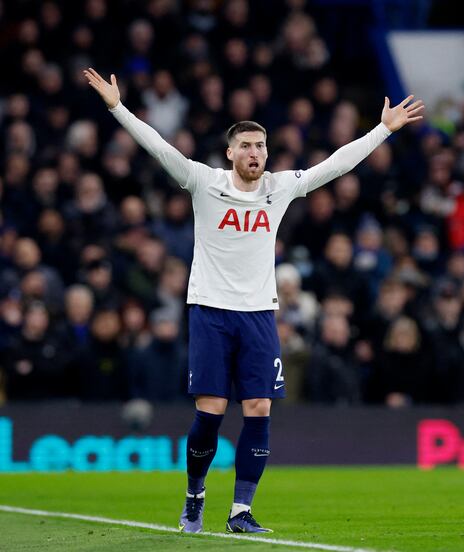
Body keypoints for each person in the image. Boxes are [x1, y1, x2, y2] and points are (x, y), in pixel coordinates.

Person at [83, 68, 423, 534]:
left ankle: (241, 510)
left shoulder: (279, 188)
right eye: (246, 145)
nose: (255, 153)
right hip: (210, 311)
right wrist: (117, 106)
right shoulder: (204, 182)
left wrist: (382, 129)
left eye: (260, 146)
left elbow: (335, 165)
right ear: (230, 153)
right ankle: (195, 494)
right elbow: (158, 146)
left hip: (260, 314)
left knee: (259, 409)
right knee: (211, 411)